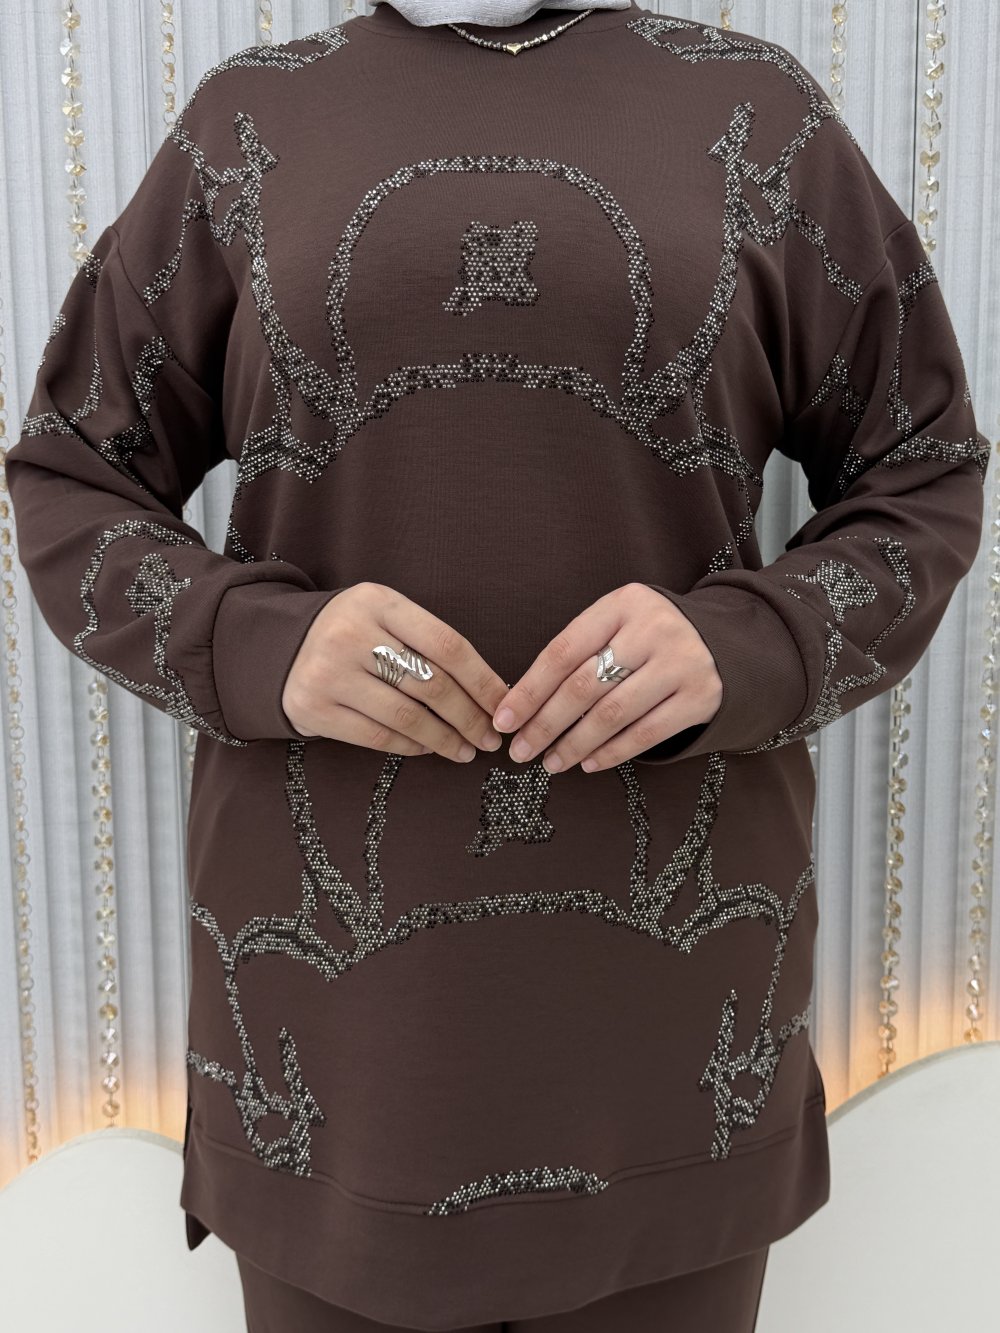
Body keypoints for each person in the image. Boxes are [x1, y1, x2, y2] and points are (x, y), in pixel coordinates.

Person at [5, 2, 988, 1330]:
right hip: (336, 1038)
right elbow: (72, 473)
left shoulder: (758, 117)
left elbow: (922, 468)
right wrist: (257, 642)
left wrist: (750, 640)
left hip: (672, 1020)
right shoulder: (249, 124)